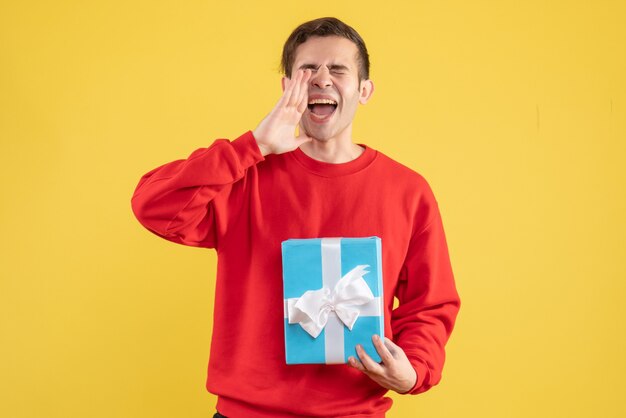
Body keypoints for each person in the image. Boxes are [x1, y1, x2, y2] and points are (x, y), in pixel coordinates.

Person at [131, 17, 460, 418]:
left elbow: (429, 303)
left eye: (338, 69)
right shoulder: (242, 178)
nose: (322, 79)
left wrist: (414, 371)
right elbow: (152, 205)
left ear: (364, 90)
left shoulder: (408, 191)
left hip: (355, 412)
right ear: (288, 88)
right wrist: (253, 145)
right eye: (308, 70)